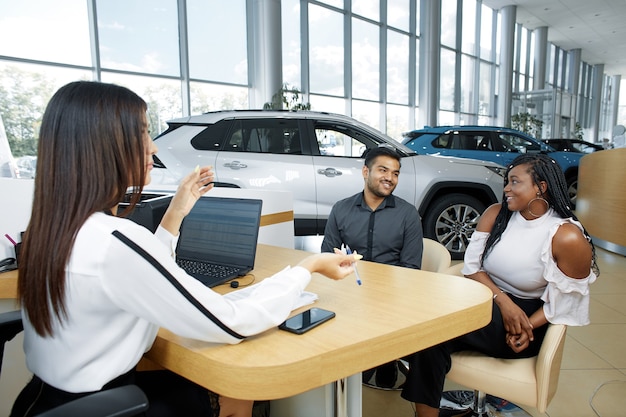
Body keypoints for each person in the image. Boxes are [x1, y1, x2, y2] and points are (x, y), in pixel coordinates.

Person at [10, 81, 360, 417]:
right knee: (222, 391)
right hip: (108, 405)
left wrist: (177, 211)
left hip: (45, 401)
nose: (154, 147)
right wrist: (308, 268)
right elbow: (231, 322)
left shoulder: (57, 229)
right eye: (142, 133)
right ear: (101, 146)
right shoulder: (114, 241)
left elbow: (141, 272)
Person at [401, 153, 598, 417]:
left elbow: (567, 303)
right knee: (429, 339)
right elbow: (472, 268)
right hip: (487, 302)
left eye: (515, 182)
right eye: (507, 181)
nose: (506, 188)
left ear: (541, 187)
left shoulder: (566, 236)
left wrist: (525, 323)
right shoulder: (496, 215)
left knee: (432, 328)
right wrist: (504, 303)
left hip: (527, 322)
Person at [321, 145, 423, 388]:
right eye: (383, 170)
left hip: (393, 296)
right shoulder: (341, 209)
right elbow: (327, 255)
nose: (390, 178)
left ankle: (385, 360)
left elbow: (410, 269)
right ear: (365, 171)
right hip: (351, 290)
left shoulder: (408, 214)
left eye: (395, 173)